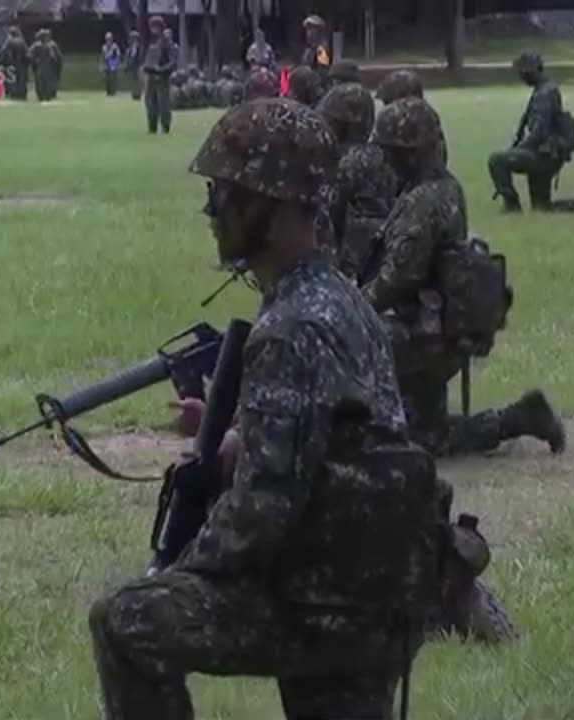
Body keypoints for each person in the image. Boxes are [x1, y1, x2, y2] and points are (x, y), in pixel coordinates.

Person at [88, 97, 442, 720]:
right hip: (379, 597)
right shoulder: (344, 301)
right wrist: (238, 437)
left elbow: (263, 510)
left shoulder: (289, 327)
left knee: (125, 621)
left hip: (317, 605)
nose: (212, 211)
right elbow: (345, 441)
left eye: (226, 194)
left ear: (276, 213)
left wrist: (175, 573)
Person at [363, 97, 567, 459]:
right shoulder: (445, 187)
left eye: (391, 153)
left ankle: (516, 419)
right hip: (439, 323)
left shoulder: (422, 201)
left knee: (407, 436)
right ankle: (520, 418)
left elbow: (399, 278)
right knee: (425, 432)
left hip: (421, 333)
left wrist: (352, 306)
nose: (386, 162)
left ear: (409, 154)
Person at [487, 52, 574, 214]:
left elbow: (538, 133)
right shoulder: (545, 89)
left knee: (497, 160)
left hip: (543, 156)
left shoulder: (545, 94)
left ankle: (512, 205)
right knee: (542, 207)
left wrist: (516, 150)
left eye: (523, 73)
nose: (521, 77)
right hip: (546, 154)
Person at [317, 83, 398, 282]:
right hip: (389, 258)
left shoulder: (347, 163)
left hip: (355, 264)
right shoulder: (384, 155)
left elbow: (327, 212)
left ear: (343, 125)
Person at [142, 16, 176, 134]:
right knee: (150, 103)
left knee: (163, 104)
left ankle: (165, 127)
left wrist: (162, 69)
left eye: (155, 26)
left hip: (161, 77)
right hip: (150, 76)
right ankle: (152, 127)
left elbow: (172, 62)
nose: (152, 29)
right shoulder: (151, 41)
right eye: (152, 26)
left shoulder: (167, 42)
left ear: (160, 27)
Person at [0, 26, 30, 100]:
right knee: (21, 79)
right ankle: (21, 94)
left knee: (11, 80)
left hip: (11, 63)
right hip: (21, 64)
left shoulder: (9, 41)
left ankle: (13, 93)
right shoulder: (22, 41)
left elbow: (3, 51)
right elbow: (26, 53)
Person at [101, 31, 121, 96]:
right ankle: (108, 91)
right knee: (106, 78)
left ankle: (113, 91)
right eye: (107, 38)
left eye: (109, 38)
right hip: (107, 63)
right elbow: (103, 56)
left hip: (112, 63)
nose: (108, 40)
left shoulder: (115, 46)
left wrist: (116, 62)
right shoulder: (104, 47)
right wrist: (102, 64)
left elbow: (118, 54)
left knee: (112, 78)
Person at [125, 30, 143, 100]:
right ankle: (135, 93)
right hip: (134, 66)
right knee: (134, 80)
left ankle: (137, 94)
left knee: (137, 80)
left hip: (138, 65)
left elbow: (135, 56)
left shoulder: (138, 46)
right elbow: (129, 56)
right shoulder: (131, 48)